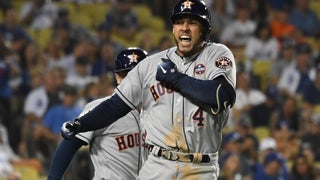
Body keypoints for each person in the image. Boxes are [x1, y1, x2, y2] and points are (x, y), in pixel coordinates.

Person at [61, 0, 236, 179]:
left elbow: (220, 95)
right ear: (173, 28)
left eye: (192, 22)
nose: (184, 28)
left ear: (205, 29)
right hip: (158, 165)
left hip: (200, 168)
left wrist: (175, 78)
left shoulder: (216, 54)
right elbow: (115, 106)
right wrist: (80, 124)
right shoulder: (151, 64)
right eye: (179, 22)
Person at [48, 47, 148, 180]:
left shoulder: (157, 110)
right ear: (117, 78)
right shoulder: (101, 108)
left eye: (137, 75)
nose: (132, 81)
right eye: (126, 75)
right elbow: (70, 142)